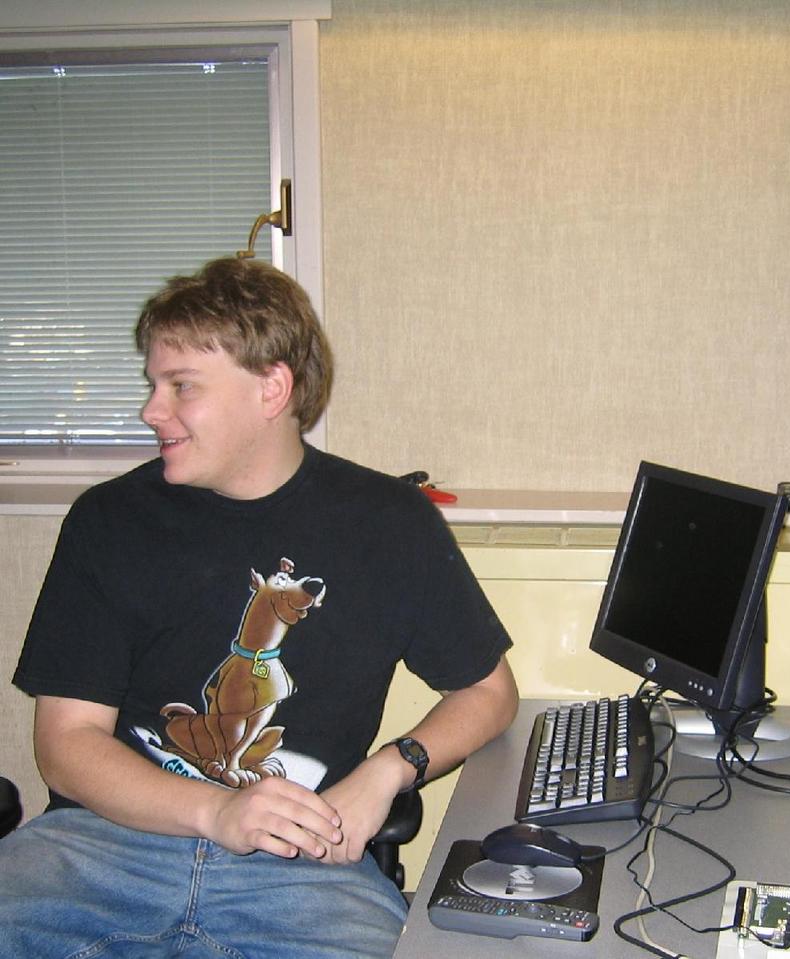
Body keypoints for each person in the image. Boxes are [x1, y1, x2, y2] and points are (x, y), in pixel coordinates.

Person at [0, 256, 520, 958]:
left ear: (271, 388)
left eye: (181, 385)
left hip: (301, 869)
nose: (151, 410)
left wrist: (388, 769)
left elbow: (488, 691)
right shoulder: (110, 521)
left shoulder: (389, 523)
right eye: (153, 384)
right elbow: (65, 745)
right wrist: (218, 810)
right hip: (98, 850)